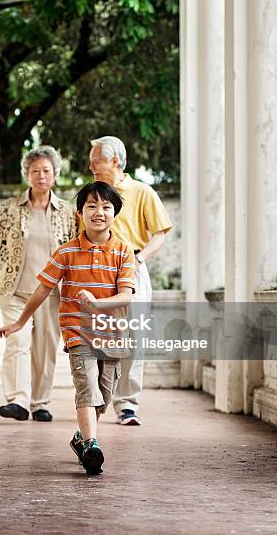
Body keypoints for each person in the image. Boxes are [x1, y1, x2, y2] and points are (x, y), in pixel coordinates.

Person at [0, 182, 135, 476]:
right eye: (91, 206)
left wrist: (97, 304)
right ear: (80, 213)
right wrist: (20, 322)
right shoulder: (67, 252)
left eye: (106, 207)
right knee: (87, 389)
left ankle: (80, 438)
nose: (99, 212)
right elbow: (42, 290)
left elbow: (125, 295)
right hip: (78, 333)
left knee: (104, 397)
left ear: (115, 213)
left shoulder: (123, 251)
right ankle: (92, 445)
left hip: (112, 334)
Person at [0, 145, 76, 422]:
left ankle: (40, 402)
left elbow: (74, 251)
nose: (41, 176)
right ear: (27, 175)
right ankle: (18, 400)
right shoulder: (10, 208)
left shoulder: (68, 212)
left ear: (55, 174)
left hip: (51, 292)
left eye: (46, 171)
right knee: (17, 341)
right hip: (14, 289)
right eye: (35, 171)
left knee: (45, 348)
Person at [88, 136, 172, 425]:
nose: (91, 165)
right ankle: (97, 400)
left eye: (95, 159)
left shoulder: (142, 192)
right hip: (97, 269)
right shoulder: (92, 194)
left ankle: (127, 405)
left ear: (114, 160)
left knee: (133, 337)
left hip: (132, 267)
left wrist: (139, 258)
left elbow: (160, 232)